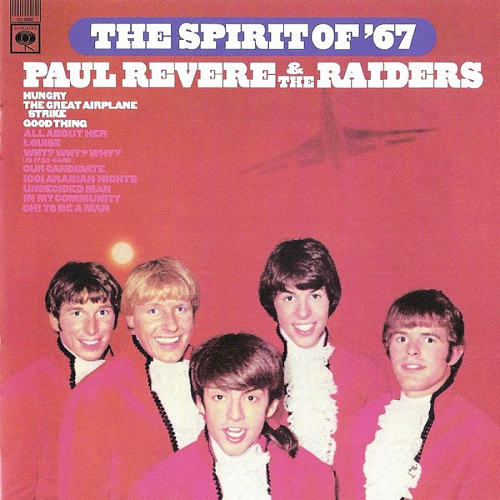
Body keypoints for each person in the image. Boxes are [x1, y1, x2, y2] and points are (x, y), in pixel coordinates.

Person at [58, 257, 205, 499]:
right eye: (154, 311)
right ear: (131, 319)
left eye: (180, 309)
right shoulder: (94, 395)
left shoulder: (220, 372)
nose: (171, 325)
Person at [129, 333, 337, 500]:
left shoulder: (313, 476)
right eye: (220, 397)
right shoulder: (158, 485)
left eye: (250, 398)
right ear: (200, 402)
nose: (235, 414)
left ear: (271, 406)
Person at [337, 289, 500, 499]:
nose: (412, 350)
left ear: (454, 353)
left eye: (428, 339)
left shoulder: (480, 437)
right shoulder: (362, 421)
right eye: (401, 338)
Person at [259, 238, 388, 466]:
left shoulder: (367, 375)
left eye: (315, 296)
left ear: (330, 298)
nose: (303, 312)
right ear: (273, 302)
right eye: (289, 298)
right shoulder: (255, 374)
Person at [1, 261, 121, 499]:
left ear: (116, 317)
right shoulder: (22, 391)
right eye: (77, 313)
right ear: (55, 320)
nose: (92, 329)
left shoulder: (136, 380)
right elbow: (17, 492)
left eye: (102, 312)